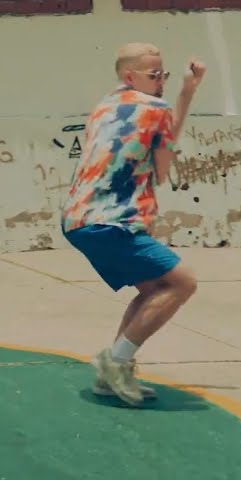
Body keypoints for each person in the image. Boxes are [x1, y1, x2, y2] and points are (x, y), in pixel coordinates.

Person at [61, 42, 206, 406]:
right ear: (130, 76)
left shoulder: (106, 104)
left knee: (154, 289)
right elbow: (162, 169)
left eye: (163, 74)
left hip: (79, 218)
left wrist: (184, 92)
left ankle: (112, 374)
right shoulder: (156, 109)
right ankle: (115, 361)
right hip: (112, 220)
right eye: (154, 75)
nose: (160, 81)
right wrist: (187, 94)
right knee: (183, 283)